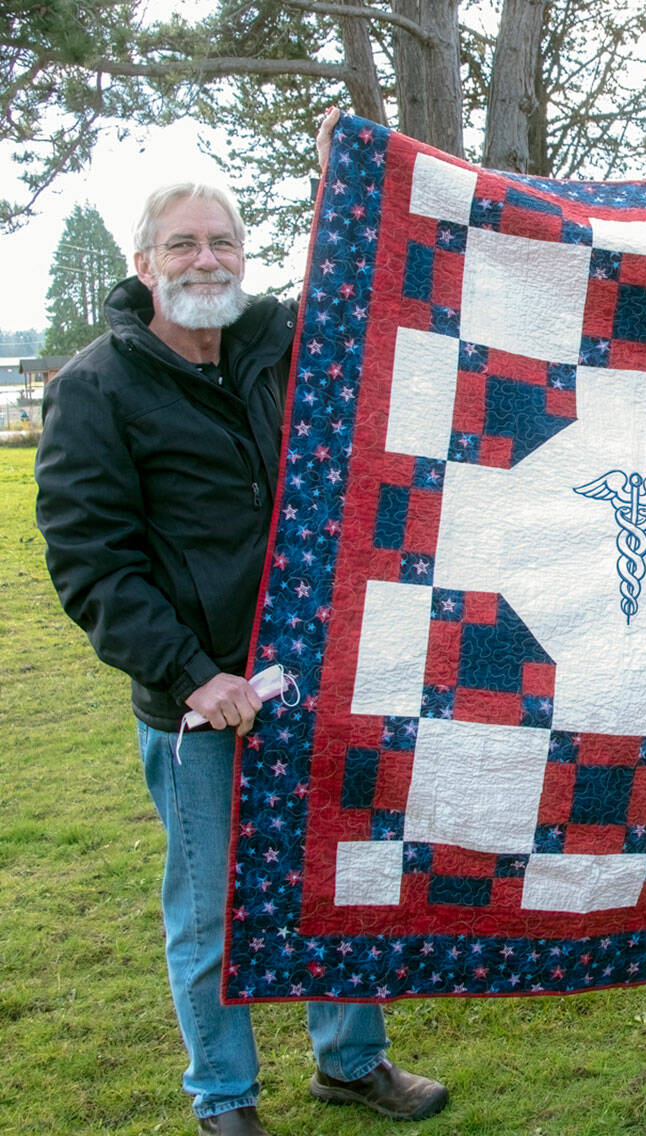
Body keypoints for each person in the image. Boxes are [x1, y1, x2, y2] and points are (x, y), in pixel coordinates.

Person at [35, 119, 448, 1135]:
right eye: (181, 244)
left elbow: (378, 285)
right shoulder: (96, 387)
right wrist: (190, 675)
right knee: (215, 910)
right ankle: (224, 1096)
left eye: (221, 241)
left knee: (334, 882)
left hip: (316, 677)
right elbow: (94, 565)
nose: (205, 259)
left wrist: (339, 173)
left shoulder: (277, 343)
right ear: (142, 264)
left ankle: (351, 1061)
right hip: (202, 702)